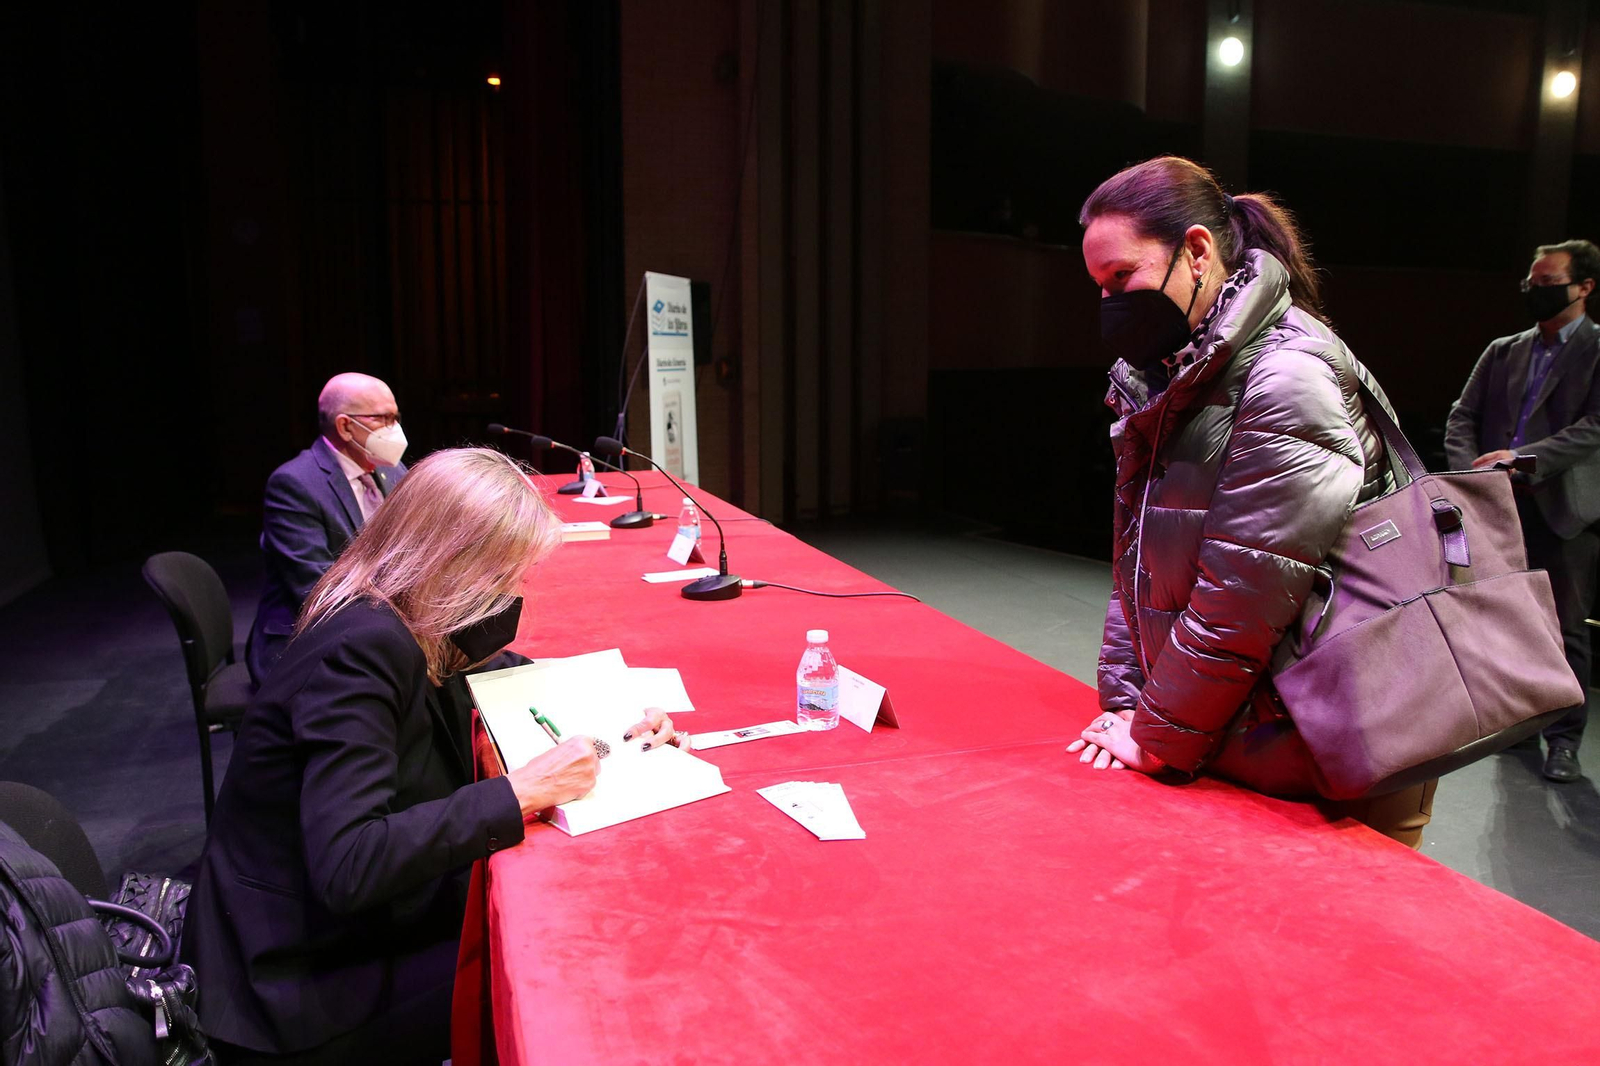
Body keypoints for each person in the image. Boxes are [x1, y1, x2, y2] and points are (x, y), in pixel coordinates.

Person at [183, 448, 685, 1065]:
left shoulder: (393, 608)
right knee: (554, 966)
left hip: (325, 933)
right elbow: (350, 863)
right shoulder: (364, 649)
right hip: (293, 979)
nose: (510, 595)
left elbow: (484, 670)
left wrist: (618, 710)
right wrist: (522, 791)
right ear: (454, 564)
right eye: (504, 578)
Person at [1066, 155, 1437, 848]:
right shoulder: (1176, 376)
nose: (1112, 304)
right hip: (1244, 726)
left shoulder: (1285, 375)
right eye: (1099, 287)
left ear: (1197, 252)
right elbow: (1138, 558)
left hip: (1337, 743)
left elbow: (1244, 590)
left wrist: (1156, 734)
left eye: (1123, 277)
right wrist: (1126, 701)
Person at [1444, 241, 1600, 782]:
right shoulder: (1504, 350)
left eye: (1549, 281)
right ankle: (1523, 724)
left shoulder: (1597, 350)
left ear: (1584, 287)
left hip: (1564, 510)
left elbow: (1594, 427)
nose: (1536, 290)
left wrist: (1524, 459)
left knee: (1567, 628)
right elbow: (1462, 417)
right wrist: (1477, 477)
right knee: (1514, 621)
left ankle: (1564, 741)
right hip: (1501, 507)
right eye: (1532, 281)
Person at [246, 372, 410, 687]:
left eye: (397, 418)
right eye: (383, 419)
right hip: (309, 640)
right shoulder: (294, 484)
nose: (395, 430)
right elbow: (317, 589)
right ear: (345, 426)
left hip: (379, 623)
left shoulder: (392, 470)